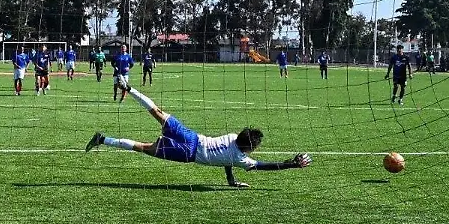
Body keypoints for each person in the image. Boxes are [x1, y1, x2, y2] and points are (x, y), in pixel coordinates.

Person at [85, 87, 311, 188]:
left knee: (158, 112)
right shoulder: (242, 159)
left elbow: (229, 161)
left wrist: (231, 180)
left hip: (191, 136)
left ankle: (129, 88)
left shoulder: (233, 138)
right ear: (249, 148)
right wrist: (291, 164)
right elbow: (265, 166)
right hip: (188, 153)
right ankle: (103, 139)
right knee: (143, 147)